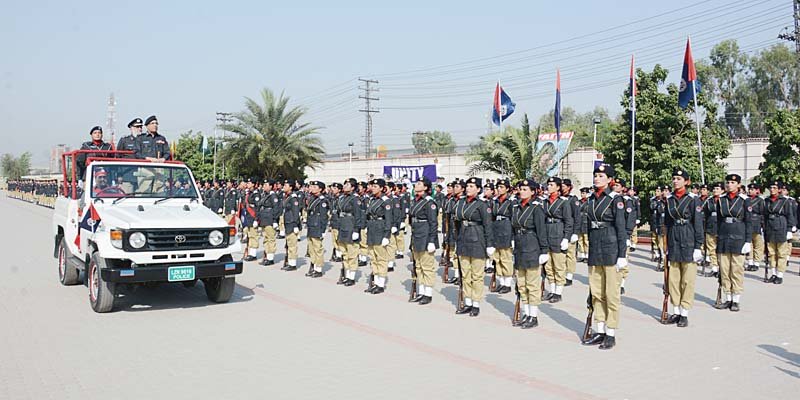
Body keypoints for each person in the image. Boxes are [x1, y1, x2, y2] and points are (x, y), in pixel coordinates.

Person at [581, 163, 627, 350]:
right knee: (597, 293)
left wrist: (622, 255)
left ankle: (611, 332)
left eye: (601, 176)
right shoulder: (591, 199)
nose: (597, 178)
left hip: (611, 248)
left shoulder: (615, 200)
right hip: (595, 249)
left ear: (609, 180)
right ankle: (599, 330)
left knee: (611, 294)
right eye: (595, 175)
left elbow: (621, 229)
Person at [662, 169, 704, 328]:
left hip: (688, 238)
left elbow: (698, 224)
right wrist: (665, 244)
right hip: (674, 239)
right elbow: (666, 223)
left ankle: (684, 312)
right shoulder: (670, 199)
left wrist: (698, 246)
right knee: (673, 280)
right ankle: (676, 310)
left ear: (687, 182)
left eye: (679, 178)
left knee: (687, 280)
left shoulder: (693, 200)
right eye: (673, 178)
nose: (675, 181)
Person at [453, 177, 493, 317]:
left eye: (472, 186)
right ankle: (468, 302)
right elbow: (456, 222)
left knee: (477, 276)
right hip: (463, 239)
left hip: (477, 240)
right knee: (465, 274)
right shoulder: (461, 202)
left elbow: (488, 225)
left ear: (478, 189)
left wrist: (490, 244)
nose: (468, 188)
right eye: (468, 185)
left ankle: (476, 303)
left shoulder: (482, 205)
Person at [511, 179, 548, 328]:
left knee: (532, 284)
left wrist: (544, 250)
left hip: (532, 247)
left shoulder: (536, 208)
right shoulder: (517, 207)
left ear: (533, 192)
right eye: (521, 189)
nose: (522, 191)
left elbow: (541, 229)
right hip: (520, 247)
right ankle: (526, 313)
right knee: (521, 284)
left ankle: (533, 316)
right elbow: (514, 226)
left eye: (526, 189)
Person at [713, 174, 752, 312]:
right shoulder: (721, 200)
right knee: (724, 269)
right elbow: (718, 220)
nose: (729, 184)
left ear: (739, 185)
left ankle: (736, 300)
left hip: (738, 236)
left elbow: (749, 222)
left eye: (732, 182)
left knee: (736, 269)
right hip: (724, 236)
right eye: (728, 182)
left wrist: (748, 241)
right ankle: (727, 297)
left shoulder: (744, 200)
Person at [408, 178, 439, 305]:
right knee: (418, 267)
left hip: (426, 237)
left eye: (420, 184)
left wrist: (432, 240)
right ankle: (421, 291)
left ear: (426, 187)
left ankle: (428, 293)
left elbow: (433, 223)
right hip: (416, 236)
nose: (416, 185)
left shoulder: (429, 202)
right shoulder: (415, 201)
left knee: (427, 267)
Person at [542, 177, 573, 303]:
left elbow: (569, 221)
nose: (548, 187)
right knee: (549, 266)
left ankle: (558, 292)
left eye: (551, 185)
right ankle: (552, 290)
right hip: (547, 232)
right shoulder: (545, 202)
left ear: (558, 187)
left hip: (558, 232)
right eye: (548, 184)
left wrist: (566, 237)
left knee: (559, 265)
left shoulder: (563, 202)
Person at [764, 181, 796, 284]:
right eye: (771, 187)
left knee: (781, 253)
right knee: (771, 253)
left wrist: (790, 229)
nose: (772, 189)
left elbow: (789, 215)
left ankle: (780, 275)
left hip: (781, 226)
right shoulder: (767, 200)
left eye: (774, 187)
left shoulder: (785, 201)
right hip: (770, 227)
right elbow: (764, 215)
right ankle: (773, 273)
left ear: (779, 189)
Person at [364, 178, 393, 294]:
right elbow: (368, 214)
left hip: (380, 229)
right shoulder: (371, 199)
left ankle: (380, 284)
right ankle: (375, 282)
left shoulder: (385, 201)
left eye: (376, 186)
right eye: (372, 186)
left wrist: (387, 235)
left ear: (381, 188)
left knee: (381, 258)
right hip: (372, 228)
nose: (373, 188)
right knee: (373, 257)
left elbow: (389, 219)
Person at [336, 178, 365, 286]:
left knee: (352, 254)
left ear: (353, 187)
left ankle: (351, 277)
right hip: (343, 225)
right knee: (344, 253)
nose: (344, 186)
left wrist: (357, 229)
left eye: (347, 185)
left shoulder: (355, 199)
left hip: (351, 226)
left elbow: (358, 215)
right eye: (344, 184)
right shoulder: (342, 198)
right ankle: (346, 275)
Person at [490, 179, 515, 294]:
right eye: (498, 187)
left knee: (506, 257)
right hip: (496, 227)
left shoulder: (511, 201)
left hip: (506, 227)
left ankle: (507, 283)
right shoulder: (494, 201)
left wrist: (513, 237)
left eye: (502, 187)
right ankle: (501, 281)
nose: (499, 189)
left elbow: (514, 219)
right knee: (497, 258)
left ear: (507, 189)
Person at [305, 181, 329, 278]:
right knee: (311, 248)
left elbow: (324, 217)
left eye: (315, 187)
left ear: (320, 189)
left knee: (317, 248)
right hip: (311, 225)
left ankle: (318, 269)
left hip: (317, 225)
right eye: (312, 186)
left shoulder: (322, 201)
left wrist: (323, 230)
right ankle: (313, 266)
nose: (312, 188)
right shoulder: (312, 198)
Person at [258, 179, 282, 266]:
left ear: (271, 186)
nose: (264, 186)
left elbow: (276, 208)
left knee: (270, 239)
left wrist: (275, 220)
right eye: (264, 185)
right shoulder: (265, 195)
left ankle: (270, 258)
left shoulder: (273, 196)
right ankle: (267, 256)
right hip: (264, 219)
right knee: (266, 239)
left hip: (270, 220)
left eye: (266, 185)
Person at [281, 179, 302, 271]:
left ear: (291, 187)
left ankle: (292, 264)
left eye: (286, 186)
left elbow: (296, 212)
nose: (284, 187)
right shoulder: (287, 197)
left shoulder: (293, 198)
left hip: (292, 223)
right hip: (287, 222)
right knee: (288, 244)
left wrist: (295, 225)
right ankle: (289, 262)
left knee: (292, 245)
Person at [745, 183, 765, 272]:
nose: (750, 191)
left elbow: (762, 213)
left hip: (757, 223)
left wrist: (762, 225)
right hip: (747, 223)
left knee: (758, 245)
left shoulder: (760, 200)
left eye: (753, 189)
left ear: (757, 191)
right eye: (749, 189)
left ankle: (756, 263)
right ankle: (750, 262)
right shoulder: (746, 200)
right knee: (749, 244)